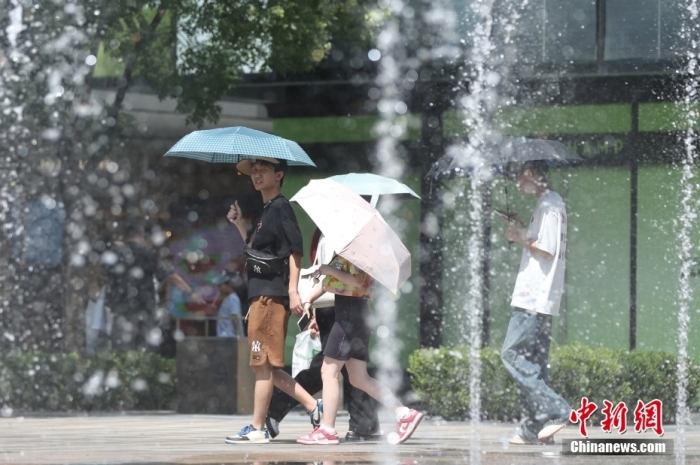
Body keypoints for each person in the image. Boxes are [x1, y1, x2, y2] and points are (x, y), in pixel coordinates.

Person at [224, 156, 322, 445]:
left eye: (263, 170)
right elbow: (254, 251)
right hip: (259, 297)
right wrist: (240, 224)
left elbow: (295, 251)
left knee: (262, 362)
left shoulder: (281, 208)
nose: (256, 175)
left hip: (271, 297)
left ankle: (258, 427)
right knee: (265, 365)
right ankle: (313, 406)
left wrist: (292, 291)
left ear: (279, 175)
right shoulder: (265, 211)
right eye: (253, 171)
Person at [265, 229, 382, 441]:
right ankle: (363, 423)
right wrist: (314, 309)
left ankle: (361, 423)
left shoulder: (349, 236)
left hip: (345, 306)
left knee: (342, 369)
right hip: (333, 305)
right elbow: (323, 276)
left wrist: (315, 301)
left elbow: (345, 277)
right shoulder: (323, 235)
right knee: (335, 368)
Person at [296, 254, 423, 445]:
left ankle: (327, 430)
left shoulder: (358, 255)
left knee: (328, 372)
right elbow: (329, 283)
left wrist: (328, 269)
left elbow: (357, 282)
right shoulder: (346, 252)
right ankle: (404, 413)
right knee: (358, 378)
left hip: (349, 317)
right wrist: (309, 300)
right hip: (354, 316)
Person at [499, 160, 571, 445]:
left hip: (534, 296)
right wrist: (520, 227)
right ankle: (535, 428)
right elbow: (541, 242)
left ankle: (558, 409)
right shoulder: (549, 203)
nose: (519, 186)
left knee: (511, 355)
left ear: (530, 175)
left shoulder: (550, 204)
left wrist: (518, 237)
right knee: (534, 363)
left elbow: (548, 249)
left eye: (519, 179)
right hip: (541, 297)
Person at [102, 224, 205, 351]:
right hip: (145, 309)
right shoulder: (148, 254)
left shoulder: (116, 254)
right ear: (141, 237)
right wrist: (190, 292)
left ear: (124, 237)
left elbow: (104, 277)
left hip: (122, 310)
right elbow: (170, 275)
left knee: (121, 352)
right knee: (145, 351)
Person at [211, 273, 245, 338]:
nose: (219, 288)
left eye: (220, 285)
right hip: (224, 336)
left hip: (230, 337)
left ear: (229, 285)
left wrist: (240, 337)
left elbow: (235, 318)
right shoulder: (227, 299)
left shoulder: (233, 299)